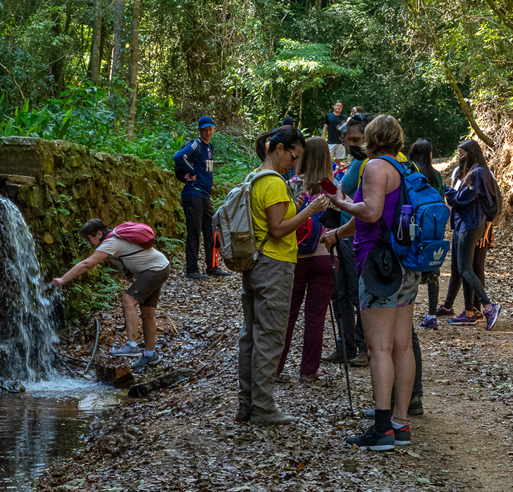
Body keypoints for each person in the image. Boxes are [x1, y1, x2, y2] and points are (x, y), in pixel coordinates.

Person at [328, 115, 416, 450]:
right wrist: (338, 231)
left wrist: (340, 202)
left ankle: (381, 429)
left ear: (370, 137)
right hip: (405, 263)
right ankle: (400, 422)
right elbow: (374, 217)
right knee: (402, 346)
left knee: (379, 348)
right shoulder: (405, 169)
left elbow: (371, 213)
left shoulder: (375, 167)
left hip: (379, 266)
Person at [236, 127, 328, 426]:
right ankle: (263, 408)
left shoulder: (253, 177)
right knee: (270, 337)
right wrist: (311, 209)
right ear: (277, 148)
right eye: (293, 155)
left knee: (251, 335)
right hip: (273, 265)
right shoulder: (274, 184)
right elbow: (278, 229)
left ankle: (246, 404)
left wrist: (298, 208)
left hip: (253, 263)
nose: (294, 162)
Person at [51, 219, 171, 369]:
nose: (89, 243)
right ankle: (150, 354)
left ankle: (132, 345)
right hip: (158, 267)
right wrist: (128, 271)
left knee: (128, 300)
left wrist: (62, 279)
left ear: (99, 234)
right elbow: (128, 255)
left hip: (155, 270)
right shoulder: (114, 240)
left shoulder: (110, 243)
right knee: (147, 313)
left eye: (89, 239)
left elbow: (86, 264)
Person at [276, 137, 336, 382]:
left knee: (287, 315)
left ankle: (275, 368)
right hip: (324, 258)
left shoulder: (290, 185)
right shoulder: (333, 186)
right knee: (315, 317)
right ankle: (309, 369)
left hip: (295, 257)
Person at [322, 113, 372, 367]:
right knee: (339, 291)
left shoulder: (365, 165)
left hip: (354, 237)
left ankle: (363, 346)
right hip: (341, 235)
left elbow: (344, 194)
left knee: (356, 291)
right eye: (348, 139)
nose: (353, 144)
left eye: (357, 139)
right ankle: (346, 344)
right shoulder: (354, 164)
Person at [441, 140, 502, 330]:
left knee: (467, 269)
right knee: (462, 269)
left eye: (463, 153)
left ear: (472, 153)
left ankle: (488, 307)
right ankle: (469, 312)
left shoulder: (478, 174)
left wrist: (447, 192)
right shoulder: (472, 173)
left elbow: (464, 199)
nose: (460, 157)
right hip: (465, 224)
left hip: (471, 224)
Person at [174, 116, 228, 280]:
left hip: (205, 196)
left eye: (210, 129)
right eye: (204, 129)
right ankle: (192, 270)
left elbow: (208, 169)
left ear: (213, 130)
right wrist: (192, 172)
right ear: (199, 130)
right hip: (193, 194)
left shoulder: (209, 147)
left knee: (211, 232)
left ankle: (212, 267)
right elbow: (178, 156)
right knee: (194, 232)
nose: (207, 132)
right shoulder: (196, 144)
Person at [409, 138, 445, 330]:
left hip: (413, 228)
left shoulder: (410, 173)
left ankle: (406, 313)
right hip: (433, 229)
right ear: (429, 154)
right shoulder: (435, 175)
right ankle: (432, 315)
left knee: (410, 270)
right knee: (433, 271)